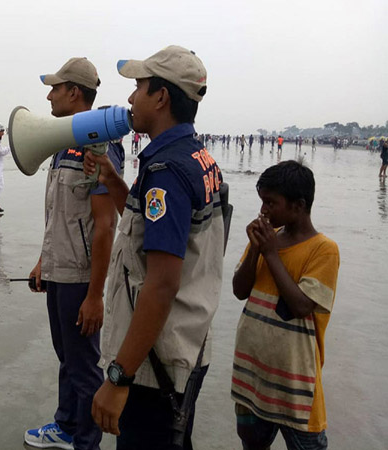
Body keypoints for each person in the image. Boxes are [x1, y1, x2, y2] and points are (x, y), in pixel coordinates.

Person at [84, 46, 224, 449]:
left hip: (155, 365)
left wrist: (118, 377)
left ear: (161, 97)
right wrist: (113, 180)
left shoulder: (167, 172)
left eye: (139, 87)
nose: (130, 98)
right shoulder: (196, 159)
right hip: (187, 348)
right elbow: (154, 233)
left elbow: (161, 284)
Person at [24, 57, 125, 450]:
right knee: (66, 355)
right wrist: (43, 262)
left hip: (82, 278)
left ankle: (87, 443)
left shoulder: (97, 145)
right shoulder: (60, 142)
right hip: (59, 271)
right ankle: (66, 427)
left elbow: (105, 224)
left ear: (74, 93)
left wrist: (95, 295)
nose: (49, 95)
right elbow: (62, 215)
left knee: (84, 368)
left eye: (55, 88)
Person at [231, 160, 339, 450]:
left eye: (271, 203)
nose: (263, 210)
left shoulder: (323, 250)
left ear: (298, 205)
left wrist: (270, 252)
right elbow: (239, 290)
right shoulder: (266, 240)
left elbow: (302, 306)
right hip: (253, 378)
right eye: (262, 202)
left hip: (296, 386)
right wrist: (256, 251)